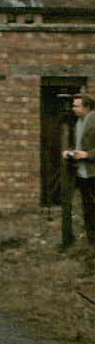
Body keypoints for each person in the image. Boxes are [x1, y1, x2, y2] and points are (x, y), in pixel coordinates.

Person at [62, 92, 95, 247]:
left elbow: (87, 151)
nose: (73, 108)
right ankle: (91, 242)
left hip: (93, 173)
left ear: (86, 107)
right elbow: (80, 146)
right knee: (87, 208)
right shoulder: (78, 123)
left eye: (77, 106)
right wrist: (71, 153)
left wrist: (87, 154)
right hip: (83, 173)